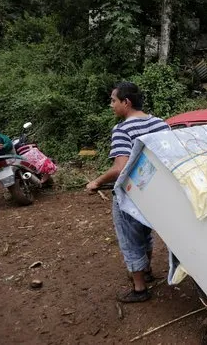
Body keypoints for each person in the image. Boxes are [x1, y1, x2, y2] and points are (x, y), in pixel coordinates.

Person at [86, 82, 170, 303]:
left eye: (114, 100)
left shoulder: (123, 129)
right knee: (145, 234)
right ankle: (148, 270)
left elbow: (120, 168)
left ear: (126, 102)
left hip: (132, 195)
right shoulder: (160, 123)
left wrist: (96, 181)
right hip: (157, 193)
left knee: (130, 239)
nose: (111, 105)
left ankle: (140, 288)